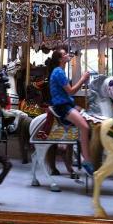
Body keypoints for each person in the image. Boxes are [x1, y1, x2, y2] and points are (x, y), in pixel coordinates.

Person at [48, 48, 94, 176]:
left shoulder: (60, 71)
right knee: (84, 127)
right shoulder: (58, 72)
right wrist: (83, 78)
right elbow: (71, 91)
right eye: (64, 54)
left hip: (67, 104)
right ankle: (86, 160)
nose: (68, 55)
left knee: (86, 116)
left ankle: (81, 150)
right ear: (60, 59)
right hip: (62, 107)